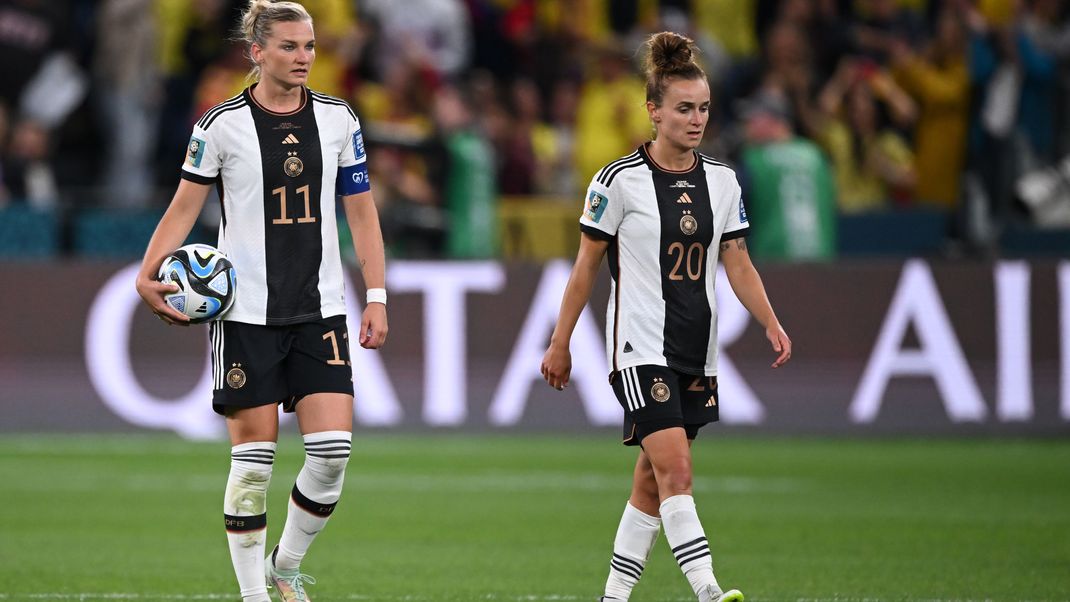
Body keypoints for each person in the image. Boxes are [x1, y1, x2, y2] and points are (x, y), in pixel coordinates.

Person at [134, 2, 388, 601]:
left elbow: (362, 214)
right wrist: (147, 275)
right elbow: (184, 207)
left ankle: (286, 563)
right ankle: (254, 597)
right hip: (245, 316)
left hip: (321, 306)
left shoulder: (338, 119)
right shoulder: (219, 125)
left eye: (310, 47)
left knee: (332, 455)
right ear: (257, 53)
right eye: (290, 47)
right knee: (252, 469)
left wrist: (375, 295)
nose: (304, 58)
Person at [541, 32, 792, 602]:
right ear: (653, 111)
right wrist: (561, 342)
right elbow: (584, 268)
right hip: (639, 346)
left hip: (696, 346)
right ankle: (708, 590)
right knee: (677, 470)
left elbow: (739, 262)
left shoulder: (723, 182)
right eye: (683, 108)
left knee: (652, 482)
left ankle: (613, 597)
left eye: (703, 108)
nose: (696, 119)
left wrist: (771, 321)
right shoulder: (616, 181)